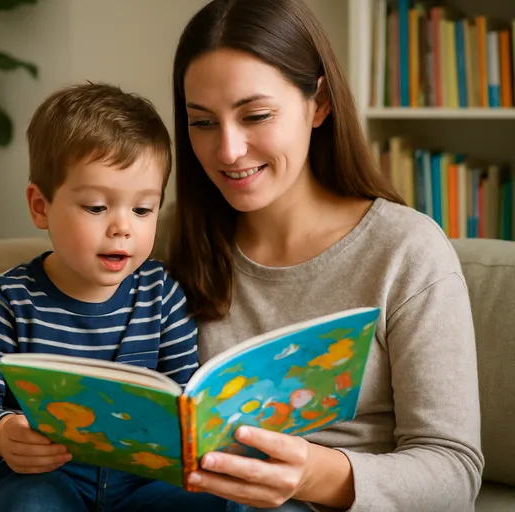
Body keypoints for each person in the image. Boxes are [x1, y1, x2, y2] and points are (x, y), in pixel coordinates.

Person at [156, 0, 485, 511]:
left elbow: (454, 471)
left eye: (256, 116)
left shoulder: (406, 251)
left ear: (319, 104)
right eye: (202, 123)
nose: (227, 151)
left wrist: (313, 475)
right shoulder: (168, 236)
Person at [0, 82, 227, 512]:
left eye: (143, 209)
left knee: (214, 500)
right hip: (43, 473)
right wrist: (0, 434)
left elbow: (186, 396)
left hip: (141, 479)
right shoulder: (7, 300)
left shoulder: (163, 295)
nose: (122, 227)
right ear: (41, 206)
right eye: (96, 207)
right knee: (32, 501)